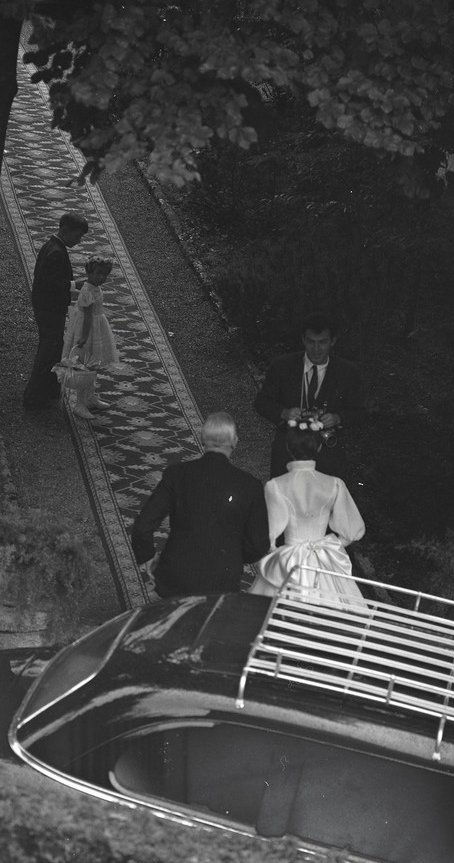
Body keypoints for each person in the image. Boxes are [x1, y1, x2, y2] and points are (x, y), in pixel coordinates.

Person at [130, 412, 269, 598]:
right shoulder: (250, 486)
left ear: (203, 438)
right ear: (234, 441)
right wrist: (232, 555)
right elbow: (259, 544)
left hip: (176, 574)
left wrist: (147, 555)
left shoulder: (176, 474)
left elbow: (142, 527)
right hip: (223, 579)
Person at [249, 424, 367, 605]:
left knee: (271, 611)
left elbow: (268, 532)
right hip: (325, 557)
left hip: (290, 559)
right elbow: (352, 529)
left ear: (288, 448)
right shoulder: (334, 483)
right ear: (319, 447)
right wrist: (334, 544)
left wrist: (276, 554)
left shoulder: (277, 485)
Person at [253, 312, 365, 478]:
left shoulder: (348, 372)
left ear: (333, 341)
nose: (316, 349)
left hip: (328, 457)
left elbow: (360, 413)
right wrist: (284, 413)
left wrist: (338, 418)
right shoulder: (282, 367)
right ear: (303, 340)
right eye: (311, 342)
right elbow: (261, 402)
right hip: (287, 455)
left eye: (322, 342)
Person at [22, 212, 89, 410]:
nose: (78, 241)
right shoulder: (56, 253)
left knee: (53, 348)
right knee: (48, 351)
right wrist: (75, 284)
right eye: (77, 236)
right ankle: (34, 395)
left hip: (46, 306)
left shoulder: (52, 247)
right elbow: (52, 284)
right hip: (50, 308)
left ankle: (49, 390)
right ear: (65, 230)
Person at [59, 257, 119, 420]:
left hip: (95, 326)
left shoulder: (92, 286)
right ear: (89, 272)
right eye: (98, 273)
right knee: (84, 365)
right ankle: (80, 404)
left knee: (93, 364)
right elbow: (87, 317)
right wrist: (84, 337)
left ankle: (90, 397)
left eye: (105, 274)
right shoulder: (88, 291)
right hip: (87, 329)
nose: (101, 278)